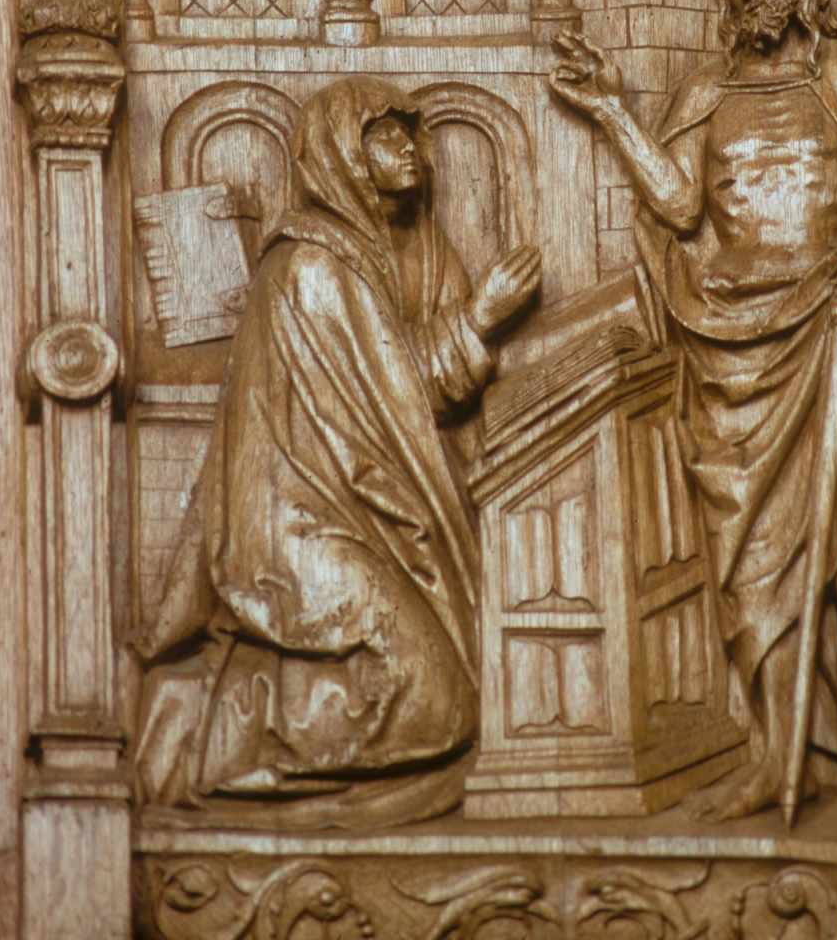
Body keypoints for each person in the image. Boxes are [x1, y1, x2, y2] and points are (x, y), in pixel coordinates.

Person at [550, 0, 837, 861]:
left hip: (826, 342)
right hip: (728, 352)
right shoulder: (706, 90)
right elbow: (678, 205)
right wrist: (612, 108)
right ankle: (777, 760)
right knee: (746, 582)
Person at [134, 75, 540, 825]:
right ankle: (221, 749)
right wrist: (478, 321)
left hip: (381, 500)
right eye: (383, 135)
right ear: (339, 154)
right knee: (433, 695)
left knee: (462, 682)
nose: (409, 149)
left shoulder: (418, 249)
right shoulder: (309, 268)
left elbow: (418, 398)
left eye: (410, 132)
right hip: (302, 519)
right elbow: (394, 391)